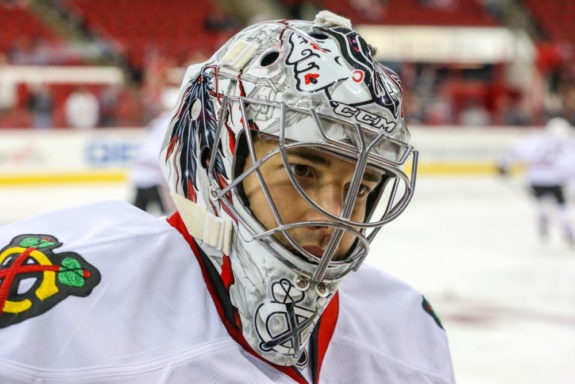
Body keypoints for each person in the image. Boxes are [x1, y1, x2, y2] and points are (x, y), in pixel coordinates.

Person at [0, 11, 454, 383]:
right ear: (220, 154)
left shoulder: (409, 330)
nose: (335, 217)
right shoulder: (63, 304)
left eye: (363, 186)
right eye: (303, 171)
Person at [498, 117, 575, 245]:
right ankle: (567, 231)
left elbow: (513, 152)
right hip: (556, 180)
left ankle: (543, 219)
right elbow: (570, 167)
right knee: (562, 206)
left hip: (535, 179)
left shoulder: (536, 140)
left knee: (542, 202)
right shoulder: (568, 145)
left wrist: (503, 165)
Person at [129, 88, 177, 215]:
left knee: (137, 215)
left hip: (141, 174)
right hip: (155, 177)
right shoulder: (171, 122)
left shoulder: (160, 121)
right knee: (169, 217)